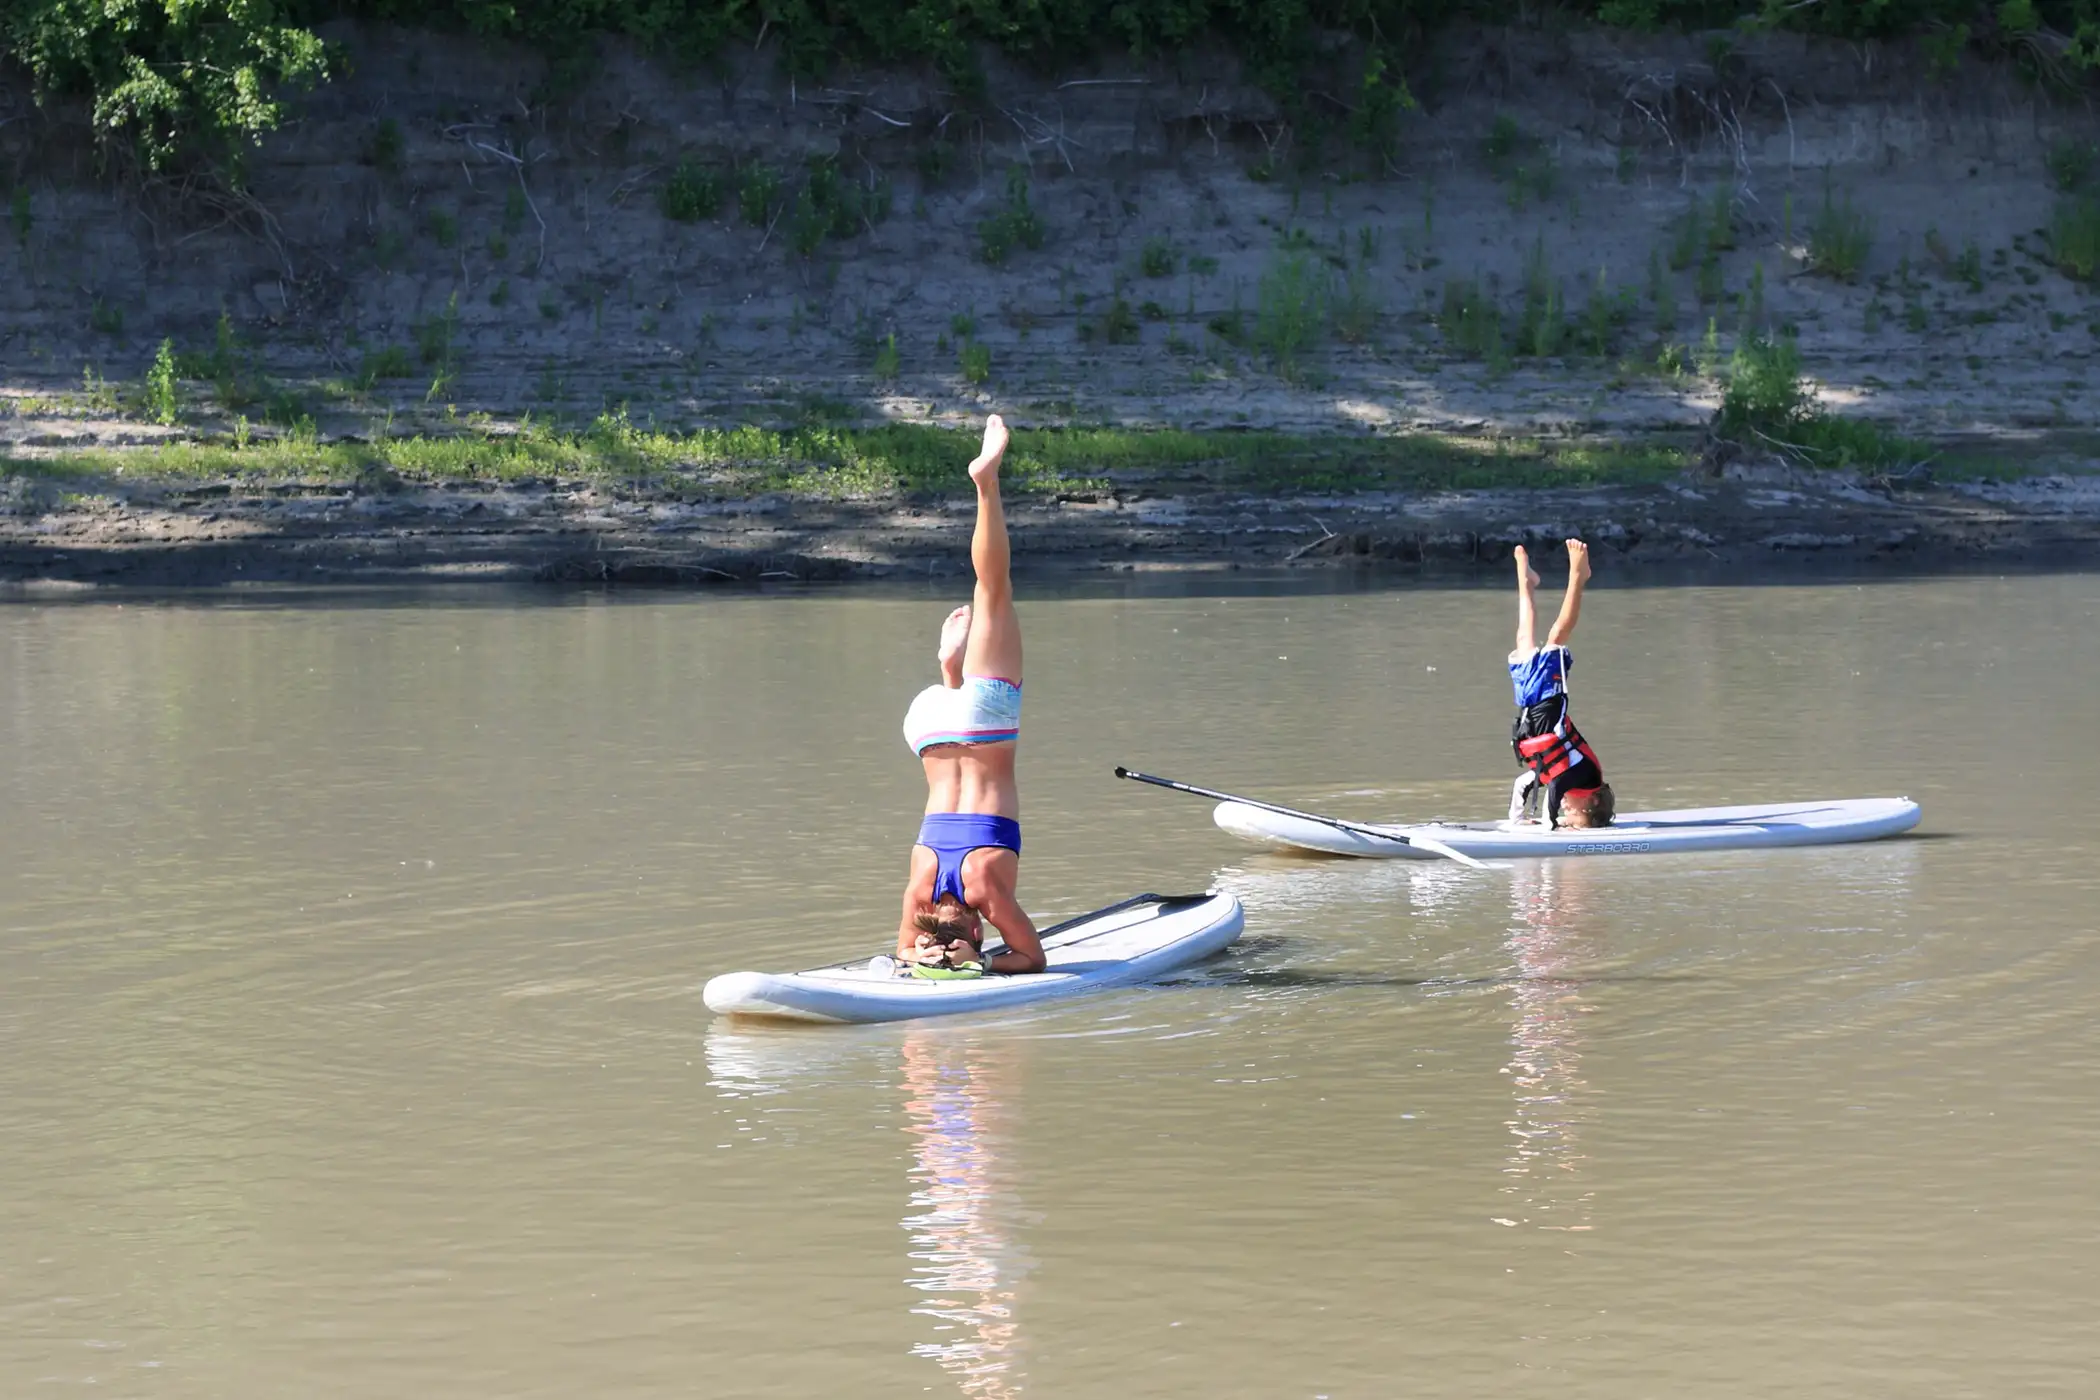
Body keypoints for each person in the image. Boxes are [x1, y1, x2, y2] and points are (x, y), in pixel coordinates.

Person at [893, 416, 1046, 979]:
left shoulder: (986, 892)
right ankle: (947, 670)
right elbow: (907, 951)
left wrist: (984, 964)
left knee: (994, 590)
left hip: (981, 728)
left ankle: (988, 484)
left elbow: (1030, 957)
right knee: (990, 592)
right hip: (928, 731)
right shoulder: (919, 894)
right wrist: (940, 958)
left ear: (976, 930)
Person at [1507, 539, 1616, 830]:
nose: (1567, 811)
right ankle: (1579, 576)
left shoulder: (1563, 778)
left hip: (1530, 712)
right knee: (1557, 637)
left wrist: (1516, 823)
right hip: (1548, 706)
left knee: (1522, 640)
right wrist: (1549, 826)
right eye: (1574, 815)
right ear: (1592, 803)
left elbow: (1522, 784)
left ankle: (1525, 579)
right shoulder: (1588, 779)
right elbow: (1554, 789)